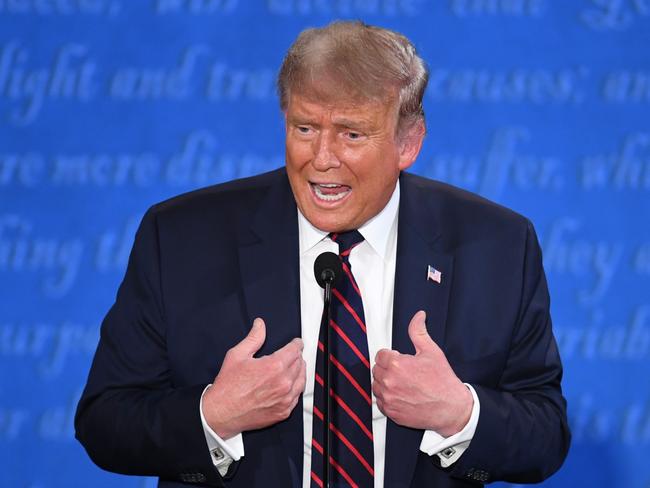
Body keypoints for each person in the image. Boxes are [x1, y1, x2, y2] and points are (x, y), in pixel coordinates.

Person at [75, 21, 570, 488]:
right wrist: (212, 416)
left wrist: (458, 413)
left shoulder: (498, 245)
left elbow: (545, 436)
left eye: (352, 134)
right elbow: (104, 420)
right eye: (305, 128)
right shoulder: (182, 238)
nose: (322, 159)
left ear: (408, 142)